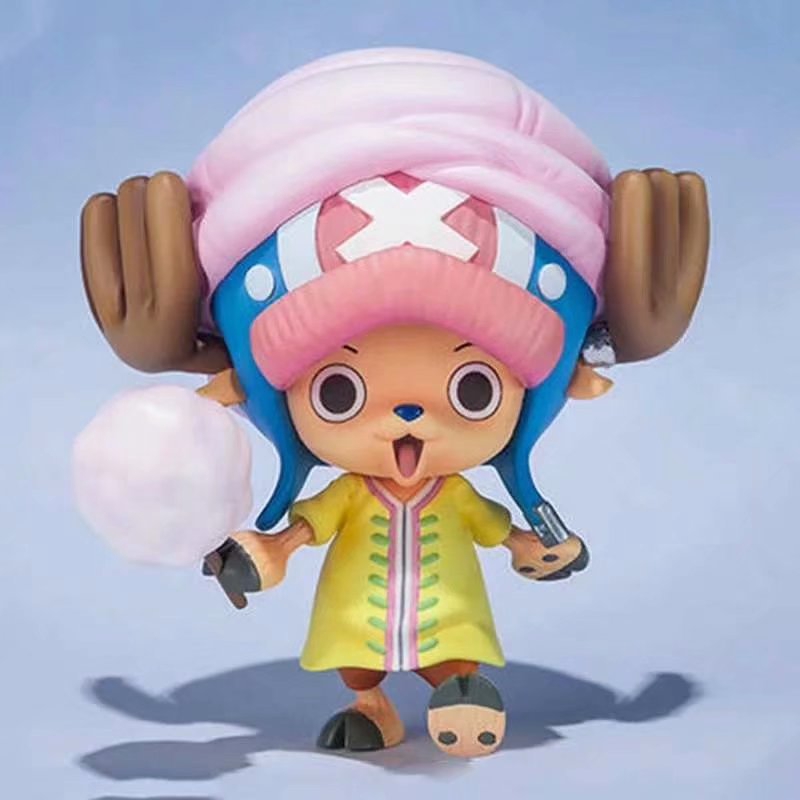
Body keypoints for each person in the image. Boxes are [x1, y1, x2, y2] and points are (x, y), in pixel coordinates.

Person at [78, 47, 709, 758]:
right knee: (359, 658)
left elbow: (498, 531)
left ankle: (459, 686)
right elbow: (304, 530)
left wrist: (535, 548)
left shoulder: (455, 496)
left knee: (454, 642)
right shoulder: (349, 495)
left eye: (473, 390)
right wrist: (263, 552)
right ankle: (371, 703)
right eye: (338, 392)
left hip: (447, 613)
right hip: (361, 620)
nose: (409, 419)